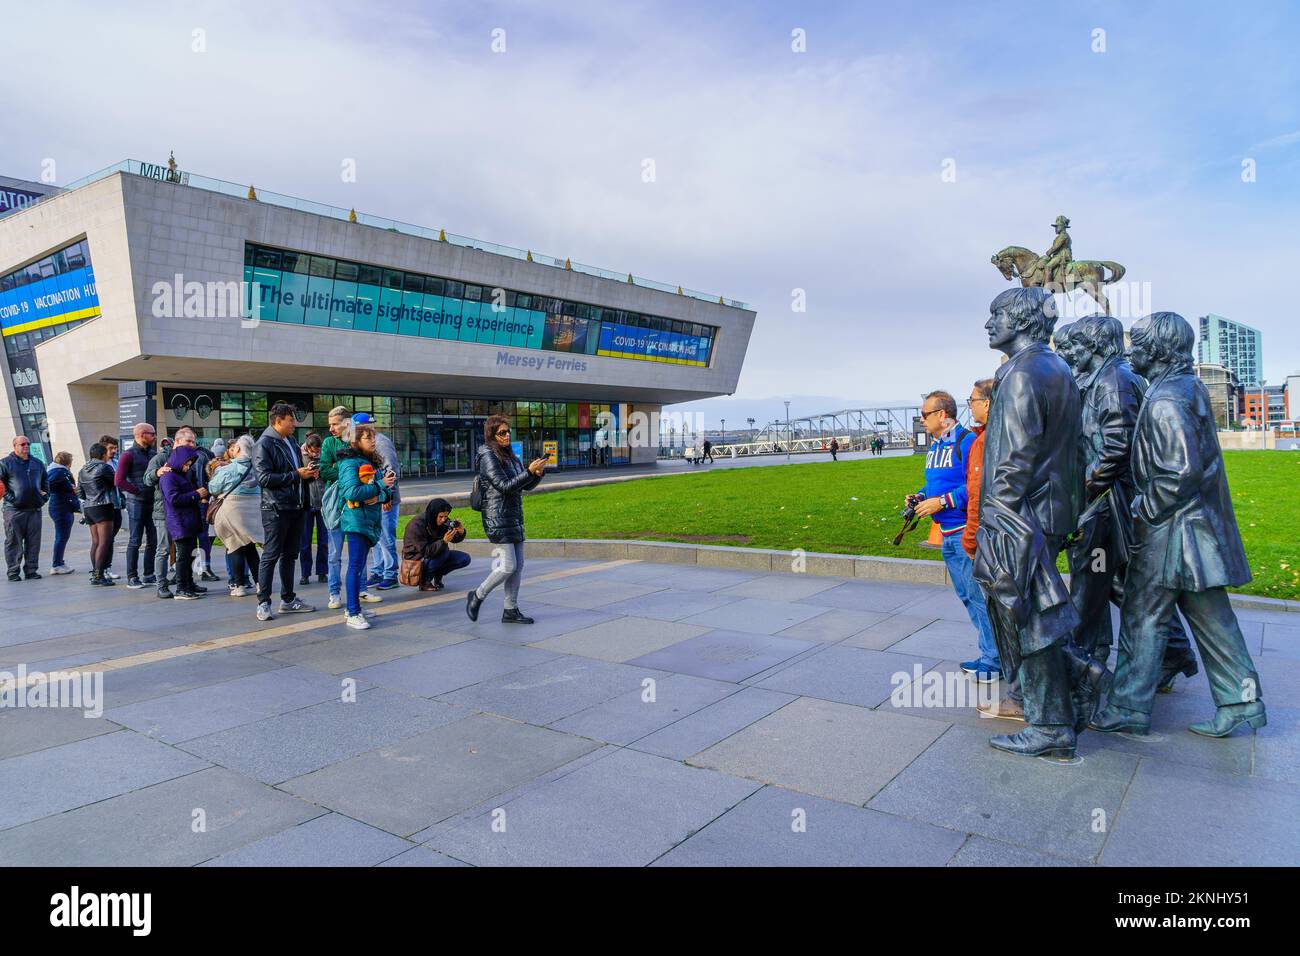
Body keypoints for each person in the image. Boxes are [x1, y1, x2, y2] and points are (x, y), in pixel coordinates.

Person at [1092, 312, 1266, 739]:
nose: (1132, 350)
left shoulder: (1167, 397)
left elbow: (1180, 472)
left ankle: (1130, 708)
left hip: (1171, 531)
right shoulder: (1186, 387)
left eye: (1140, 342)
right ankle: (1242, 701)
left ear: (1158, 349)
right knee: (1212, 619)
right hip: (1193, 533)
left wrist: (1141, 510)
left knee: (1141, 615)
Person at [974, 287, 1084, 760]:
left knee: (1028, 617)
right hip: (1051, 509)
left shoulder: (1019, 374)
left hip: (1020, 516)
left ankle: (1050, 725)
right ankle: (1077, 679)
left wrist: (995, 521)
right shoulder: (1057, 366)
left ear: (1019, 320)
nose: (988, 323)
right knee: (1037, 610)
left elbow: (1014, 460)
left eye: (996, 314)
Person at [908, 389, 999, 682]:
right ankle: (990, 653)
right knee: (967, 596)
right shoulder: (935, 446)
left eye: (925, 414)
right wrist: (921, 496)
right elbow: (938, 484)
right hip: (946, 532)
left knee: (977, 597)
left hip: (962, 531)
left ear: (942, 415)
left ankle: (994, 660)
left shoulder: (967, 442)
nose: (921, 420)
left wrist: (943, 502)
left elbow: (977, 486)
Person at [466, 414, 545, 623]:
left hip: (513, 516)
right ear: (492, 435)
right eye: (502, 432)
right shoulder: (488, 457)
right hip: (497, 518)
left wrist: (535, 474)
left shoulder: (510, 456)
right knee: (508, 566)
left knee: (518, 566)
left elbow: (523, 486)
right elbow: (504, 486)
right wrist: (528, 472)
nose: (507, 435)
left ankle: (510, 609)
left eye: (508, 431)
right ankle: (477, 594)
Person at [252, 402, 317, 621]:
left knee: (290, 555)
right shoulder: (264, 444)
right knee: (270, 555)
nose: (295, 424)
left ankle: (288, 599)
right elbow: (264, 478)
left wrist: (306, 474)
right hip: (275, 508)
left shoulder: (289, 441)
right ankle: (263, 602)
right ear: (278, 421)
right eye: (291, 420)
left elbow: (295, 472)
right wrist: (296, 475)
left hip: (296, 506)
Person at [336, 421, 396, 629]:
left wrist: (379, 492)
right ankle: (353, 613)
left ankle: (353, 608)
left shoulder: (368, 461)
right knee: (355, 566)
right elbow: (351, 493)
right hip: (356, 520)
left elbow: (387, 492)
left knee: (359, 566)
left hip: (367, 519)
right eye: (368, 437)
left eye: (373, 436)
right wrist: (379, 487)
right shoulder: (350, 463)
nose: (373, 441)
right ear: (356, 441)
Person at [318, 405, 376, 611]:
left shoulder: (358, 441)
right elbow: (324, 470)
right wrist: (346, 473)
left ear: (346, 423)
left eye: (334, 424)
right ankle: (334, 592)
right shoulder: (328, 443)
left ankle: (361, 589)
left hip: (356, 505)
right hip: (336, 504)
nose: (331, 428)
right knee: (334, 553)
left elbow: (368, 471)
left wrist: (340, 468)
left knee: (359, 552)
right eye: (330, 425)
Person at [208, 434, 262, 597]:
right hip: (255, 510)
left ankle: (239, 585)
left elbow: (213, 487)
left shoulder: (229, 469)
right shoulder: (257, 468)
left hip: (234, 510)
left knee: (234, 545)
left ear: (237, 449)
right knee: (251, 546)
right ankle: (260, 582)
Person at [352, 413, 401, 592]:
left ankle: (390, 574)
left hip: (385, 497)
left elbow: (392, 469)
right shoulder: (366, 444)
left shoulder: (381, 442)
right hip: (376, 495)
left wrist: (387, 495)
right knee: (378, 537)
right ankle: (378, 571)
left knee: (386, 537)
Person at [159, 443, 208, 600]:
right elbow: (174, 499)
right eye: (187, 464)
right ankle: (181, 587)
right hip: (179, 521)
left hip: (188, 519)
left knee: (190, 553)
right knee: (183, 555)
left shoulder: (180, 475)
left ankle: (189, 583)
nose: (188, 467)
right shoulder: (168, 477)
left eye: (190, 464)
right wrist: (195, 495)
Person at [114, 422, 159, 589]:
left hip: (151, 502)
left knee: (153, 540)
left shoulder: (153, 454)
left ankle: (148, 574)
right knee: (135, 540)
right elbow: (118, 480)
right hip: (137, 503)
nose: (154, 436)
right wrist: (137, 491)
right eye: (152, 434)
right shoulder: (128, 455)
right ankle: (132, 576)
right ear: (142, 435)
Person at [2, 436, 49, 581]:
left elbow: (45, 481)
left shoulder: (37, 463)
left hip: (34, 509)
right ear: (14, 446)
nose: (26, 446)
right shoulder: (5, 463)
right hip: (14, 511)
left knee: (34, 542)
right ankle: (13, 571)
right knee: (13, 542)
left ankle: (31, 570)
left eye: (28, 444)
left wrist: (44, 497)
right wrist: (13, 498)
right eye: (22, 444)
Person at [402, 497, 471, 591]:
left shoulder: (443, 522)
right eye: (441, 517)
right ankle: (425, 582)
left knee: (464, 559)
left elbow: (454, 539)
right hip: (416, 560)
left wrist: (461, 532)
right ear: (433, 514)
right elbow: (425, 552)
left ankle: (438, 574)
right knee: (444, 551)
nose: (443, 520)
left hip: (435, 554)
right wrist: (443, 542)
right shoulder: (416, 525)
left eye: (446, 516)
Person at [77, 442, 121, 586]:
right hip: (103, 506)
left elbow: (80, 492)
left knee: (96, 542)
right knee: (105, 542)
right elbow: (116, 482)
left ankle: (96, 572)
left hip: (89, 507)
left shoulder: (83, 469)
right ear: (103, 454)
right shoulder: (104, 467)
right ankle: (98, 575)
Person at [145, 436, 177, 598]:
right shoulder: (160, 459)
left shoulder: (189, 457)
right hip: (163, 511)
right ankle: (162, 584)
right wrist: (157, 472)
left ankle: (182, 580)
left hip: (178, 509)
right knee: (164, 548)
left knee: (180, 547)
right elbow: (147, 479)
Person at [298, 433, 327, 586]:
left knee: (324, 541)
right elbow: (296, 476)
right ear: (307, 448)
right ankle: (305, 573)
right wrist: (306, 473)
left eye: (318, 451)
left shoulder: (325, 457)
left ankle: (322, 572)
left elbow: (331, 474)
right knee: (305, 541)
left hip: (322, 504)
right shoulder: (299, 456)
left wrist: (321, 471)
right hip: (306, 504)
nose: (315, 454)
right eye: (313, 451)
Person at [47, 451, 80, 575]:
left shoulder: (55, 471)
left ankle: (59, 562)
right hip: (61, 507)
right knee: (61, 537)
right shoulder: (59, 472)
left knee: (61, 536)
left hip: (60, 506)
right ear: (68, 462)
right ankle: (57, 564)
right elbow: (47, 485)